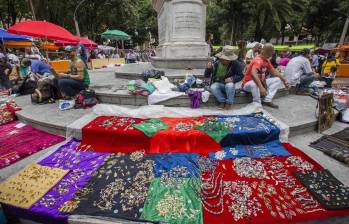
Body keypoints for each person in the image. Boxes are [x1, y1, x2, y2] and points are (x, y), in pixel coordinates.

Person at [242, 43, 289, 109]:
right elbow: (253, 74)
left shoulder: (266, 61)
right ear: (267, 52)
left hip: (260, 82)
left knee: (277, 80)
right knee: (254, 84)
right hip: (247, 84)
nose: (272, 54)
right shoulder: (258, 60)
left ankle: (267, 100)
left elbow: (274, 71)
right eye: (272, 52)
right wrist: (261, 88)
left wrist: (284, 81)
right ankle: (257, 103)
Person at [204, 45, 244, 110]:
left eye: (228, 59)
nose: (226, 61)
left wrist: (232, 79)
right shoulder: (215, 62)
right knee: (213, 87)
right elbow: (206, 76)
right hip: (218, 83)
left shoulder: (236, 64)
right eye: (224, 59)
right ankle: (222, 101)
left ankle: (229, 103)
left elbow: (241, 75)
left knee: (230, 85)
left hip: (229, 85)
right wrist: (208, 69)